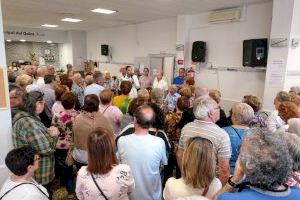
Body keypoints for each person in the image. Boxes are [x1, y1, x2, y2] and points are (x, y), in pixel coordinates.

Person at [217, 128, 300, 200]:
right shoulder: (297, 192)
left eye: (240, 152)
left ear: (248, 166)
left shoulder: (227, 198)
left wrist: (234, 179)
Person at [12, 91, 59, 195]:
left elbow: (37, 141)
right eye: (43, 102)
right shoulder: (29, 124)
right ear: (37, 103)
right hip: (39, 173)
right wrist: (54, 135)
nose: (44, 105)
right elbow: (47, 149)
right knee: (44, 194)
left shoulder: (24, 116)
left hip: (31, 170)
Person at [177, 96, 231, 185]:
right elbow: (224, 169)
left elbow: (180, 155)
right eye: (218, 108)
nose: (220, 110)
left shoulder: (187, 128)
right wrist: (221, 191)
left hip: (189, 180)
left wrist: (185, 175)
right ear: (210, 113)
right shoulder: (222, 135)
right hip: (210, 183)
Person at [117, 105, 167, 200]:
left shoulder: (122, 141)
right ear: (152, 122)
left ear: (134, 120)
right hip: (152, 195)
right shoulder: (159, 142)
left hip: (129, 195)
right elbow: (163, 163)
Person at [76, 128, 135, 200]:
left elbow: (80, 196)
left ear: (90, 150)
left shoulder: (82, 173)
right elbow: (130, 190)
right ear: (111, 147)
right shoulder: (125, 170)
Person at [73, 94, 113, 169]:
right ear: (98, 104)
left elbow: (74, 137)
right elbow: (110, 138)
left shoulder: (77, 118)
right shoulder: (103, 119)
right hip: (98, 157)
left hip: (81, 157)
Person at [51, 92, 80, 194]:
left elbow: (53, 132)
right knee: (72, 167)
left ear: (62, 103)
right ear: (74, 103)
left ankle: (69, 189)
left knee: (65, 168)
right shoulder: (79, 115)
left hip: (61, 146)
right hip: (74, 145)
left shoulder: (57, 116)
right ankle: (74, 188)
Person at [164, 96, 190, 181]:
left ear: (176, 104)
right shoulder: (189, 120)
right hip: (183, 150)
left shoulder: (169, 116)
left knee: (167, 173)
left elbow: (164, 130)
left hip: (170, 148)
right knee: (180, 175)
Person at [223, 103, 254, 173]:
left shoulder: (223, 132)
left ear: (234, 117)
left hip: (228, 172)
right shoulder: (257, 135)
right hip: (249, 174)